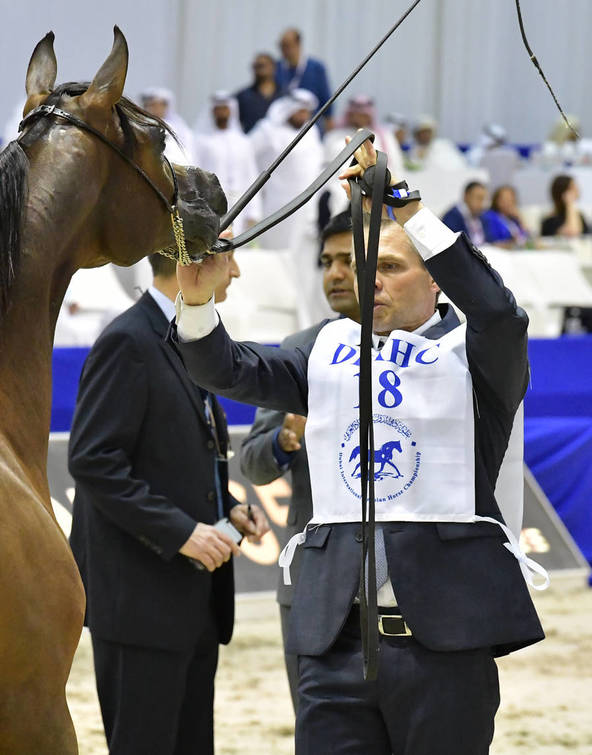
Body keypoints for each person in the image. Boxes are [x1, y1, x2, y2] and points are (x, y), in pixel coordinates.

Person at [171, 137, 545, 754]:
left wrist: (408, 211)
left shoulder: (482, 356)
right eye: (365, 268)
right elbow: (225, 369)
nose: (369, 281)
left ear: (435, 278)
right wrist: (194, 300)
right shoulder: (322, 347)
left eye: (391, 266)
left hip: (446, 643)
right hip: (334, 644)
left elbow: (501, 313)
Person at [68, 249, 269, 755]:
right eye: (231, 255)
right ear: (196, 261)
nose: (239, 271)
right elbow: (94, 461)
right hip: (141, 599)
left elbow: (176, 453)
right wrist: (182, 532)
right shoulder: (127, 341)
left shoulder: (187, 337)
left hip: (191, 597)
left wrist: (226, 509)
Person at [239, 210, 360, 713]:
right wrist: (285, 441)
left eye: (349, 261)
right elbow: (252, 465)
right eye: (327, 261)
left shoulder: (436, 350)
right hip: (314, 581)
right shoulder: (302, 351)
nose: (333, 273)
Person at [247, 89, 326, 326]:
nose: (304, 115)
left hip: (308, 215)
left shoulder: (311, 132)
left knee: (304, 268)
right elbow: (245, 160)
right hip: (277, 211)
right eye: (300, 110)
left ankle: (304, 320)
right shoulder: (267, 131)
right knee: (279, 265)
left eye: (307, 111)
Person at [193, 92, 261, 234]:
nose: (222, 112)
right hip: (210, 205)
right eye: (218, 108)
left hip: (239, 203)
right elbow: (195, 175)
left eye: (225, 108)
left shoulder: (243, 142)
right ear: (213, 111)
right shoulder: (201, 141)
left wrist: (254, 211)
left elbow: (251, 175)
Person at [275, 28, 332, 130]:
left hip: (311, 123)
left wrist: (329, 123)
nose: (284, 50)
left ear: (298, 45)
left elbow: (325, 99)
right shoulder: (276, 68)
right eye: (281, 46)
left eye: (287, 45)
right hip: (283, 124)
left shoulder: (316, 68)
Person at [139, 88, 195, 164]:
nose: (150, 108)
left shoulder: (180, 127)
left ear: (165, 106)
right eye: (147, 105)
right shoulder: (141, 125)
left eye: (154, 105)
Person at [233, 53, 279, 134]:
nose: (261, 69)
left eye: (264, 65)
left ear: (273, 67)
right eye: (258, 66)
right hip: (251, 143)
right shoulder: (242, 96)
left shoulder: (285, 96)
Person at [540, 173, 590, 238]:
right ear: (562, 192)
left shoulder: (580, 215)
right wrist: (570, 204)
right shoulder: (550, 221)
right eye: (573, 188)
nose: (577, 190)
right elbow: (573, 232)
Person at [442, 180, 489, 245]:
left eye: (484, 199)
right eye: (478, 198)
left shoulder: (480, 216)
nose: (482, 204)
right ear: (466, 196)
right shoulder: (453, 217)